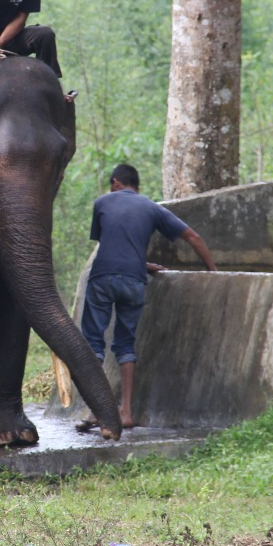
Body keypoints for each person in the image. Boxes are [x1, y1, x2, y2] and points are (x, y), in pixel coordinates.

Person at [80, 163, 216, 429]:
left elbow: (109, 244)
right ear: (137, 186)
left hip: (103, 278)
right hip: (133, 281)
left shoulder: (102, 202)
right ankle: (126, 412)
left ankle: (95, 411)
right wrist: (213, 270)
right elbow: (193, 236)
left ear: (116, 182)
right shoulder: (152, 207)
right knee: (125, 345)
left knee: (94, 344)